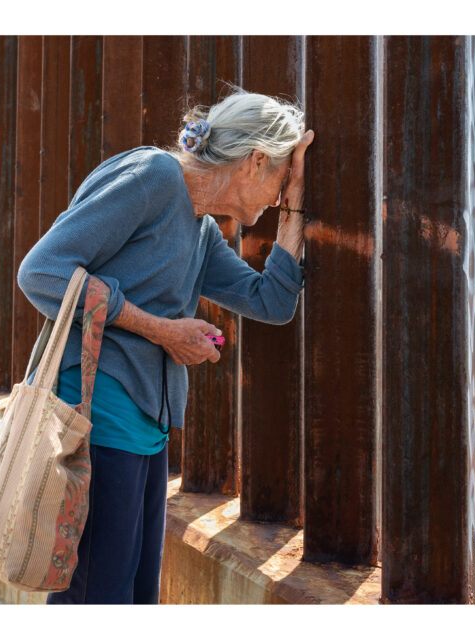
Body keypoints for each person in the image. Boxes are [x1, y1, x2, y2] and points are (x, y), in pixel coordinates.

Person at [16, 85, 315, 604]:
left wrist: (295, 209)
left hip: (147, 427)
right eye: (278, 182)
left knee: (134, 593)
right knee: (98, 597)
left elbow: (271, 302)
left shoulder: (200, 230)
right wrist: (161, 330)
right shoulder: (153, 176)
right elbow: (42, 272)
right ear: (255, 161)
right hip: (97, 415)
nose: (274, 197)